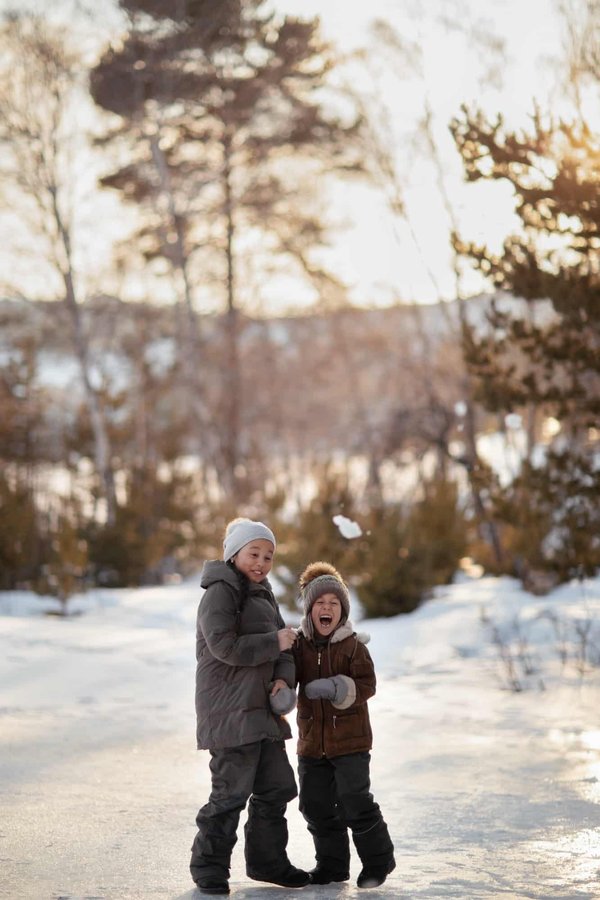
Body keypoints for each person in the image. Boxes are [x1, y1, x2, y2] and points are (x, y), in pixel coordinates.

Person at [190, 517, 310, 896]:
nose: (261, 562)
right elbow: (223, 647)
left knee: (277, 787)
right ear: (233, 554)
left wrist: (283, 679)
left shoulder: (263, 593)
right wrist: (274, 643)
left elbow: (284, 646)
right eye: (253, 553)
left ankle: (267, 861)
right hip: (229, 712)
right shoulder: (220, 593)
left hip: (262, 711)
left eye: (268, 556)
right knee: (230, 793)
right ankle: (209, 867)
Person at [293, 561, 396, 889]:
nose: (326, 608)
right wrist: (278, 688)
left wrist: (340, 687)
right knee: (314, 804)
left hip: (350, 741)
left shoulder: (354, 646)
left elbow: (368, 684)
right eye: (319, 603)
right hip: (311, 741)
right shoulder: (299, 646)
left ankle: (379, 861)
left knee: (355, 799)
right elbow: (284, 674)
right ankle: (333, 865)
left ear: (343, 610)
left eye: (333, 603)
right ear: (310, 611)